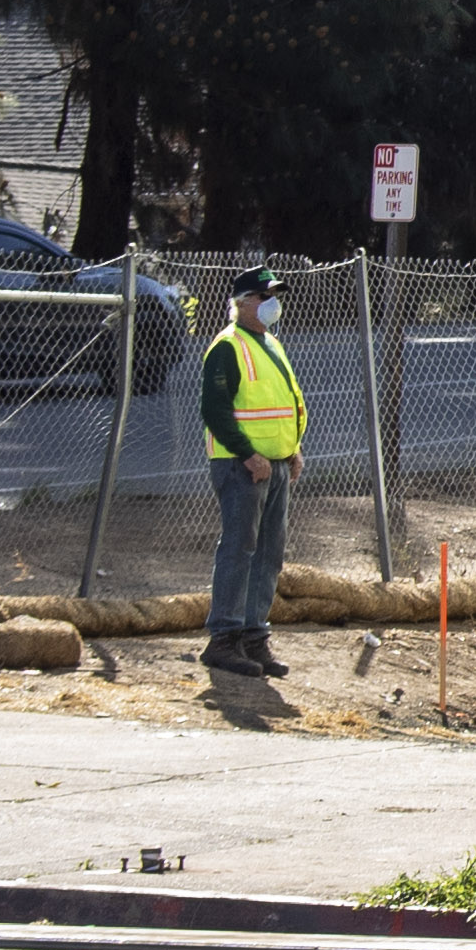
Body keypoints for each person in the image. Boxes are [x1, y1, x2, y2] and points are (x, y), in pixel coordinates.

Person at [198, 266, 307, 679]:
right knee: (239, 549)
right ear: (242, 302)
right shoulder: (228, 347)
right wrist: (249, 455)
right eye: (264, 297)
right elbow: (215, 410)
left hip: (276, 465)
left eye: (274, 296)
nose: (272, 303)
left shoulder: (270, 344)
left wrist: (292, 450)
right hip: (243, 466)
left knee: (268, 554)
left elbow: (287, 402)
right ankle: (224, 639)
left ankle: (254, 636)